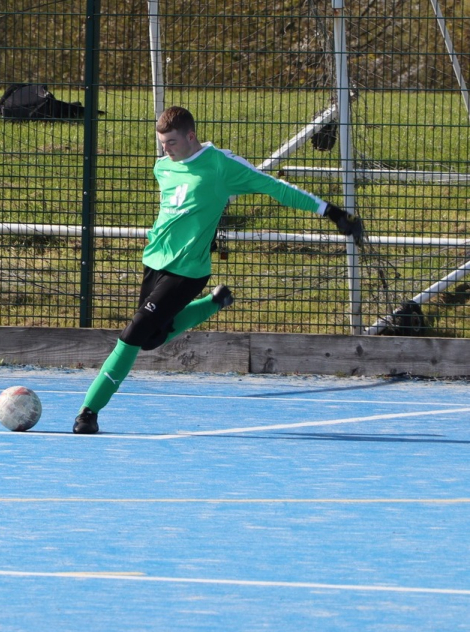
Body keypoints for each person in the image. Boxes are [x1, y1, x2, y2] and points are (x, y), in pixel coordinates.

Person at [72, 105, 363, 434]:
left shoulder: (221, 165)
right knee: (151, 339)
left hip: (189, 271)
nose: (165, 151)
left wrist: (333, 212)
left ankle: (88, 412)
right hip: (154, 261)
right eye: (161, 144)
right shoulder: (163, 168)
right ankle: (215, 302)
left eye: (171, 143)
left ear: (190, 136)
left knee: (133, 335)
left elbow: (276, 188)